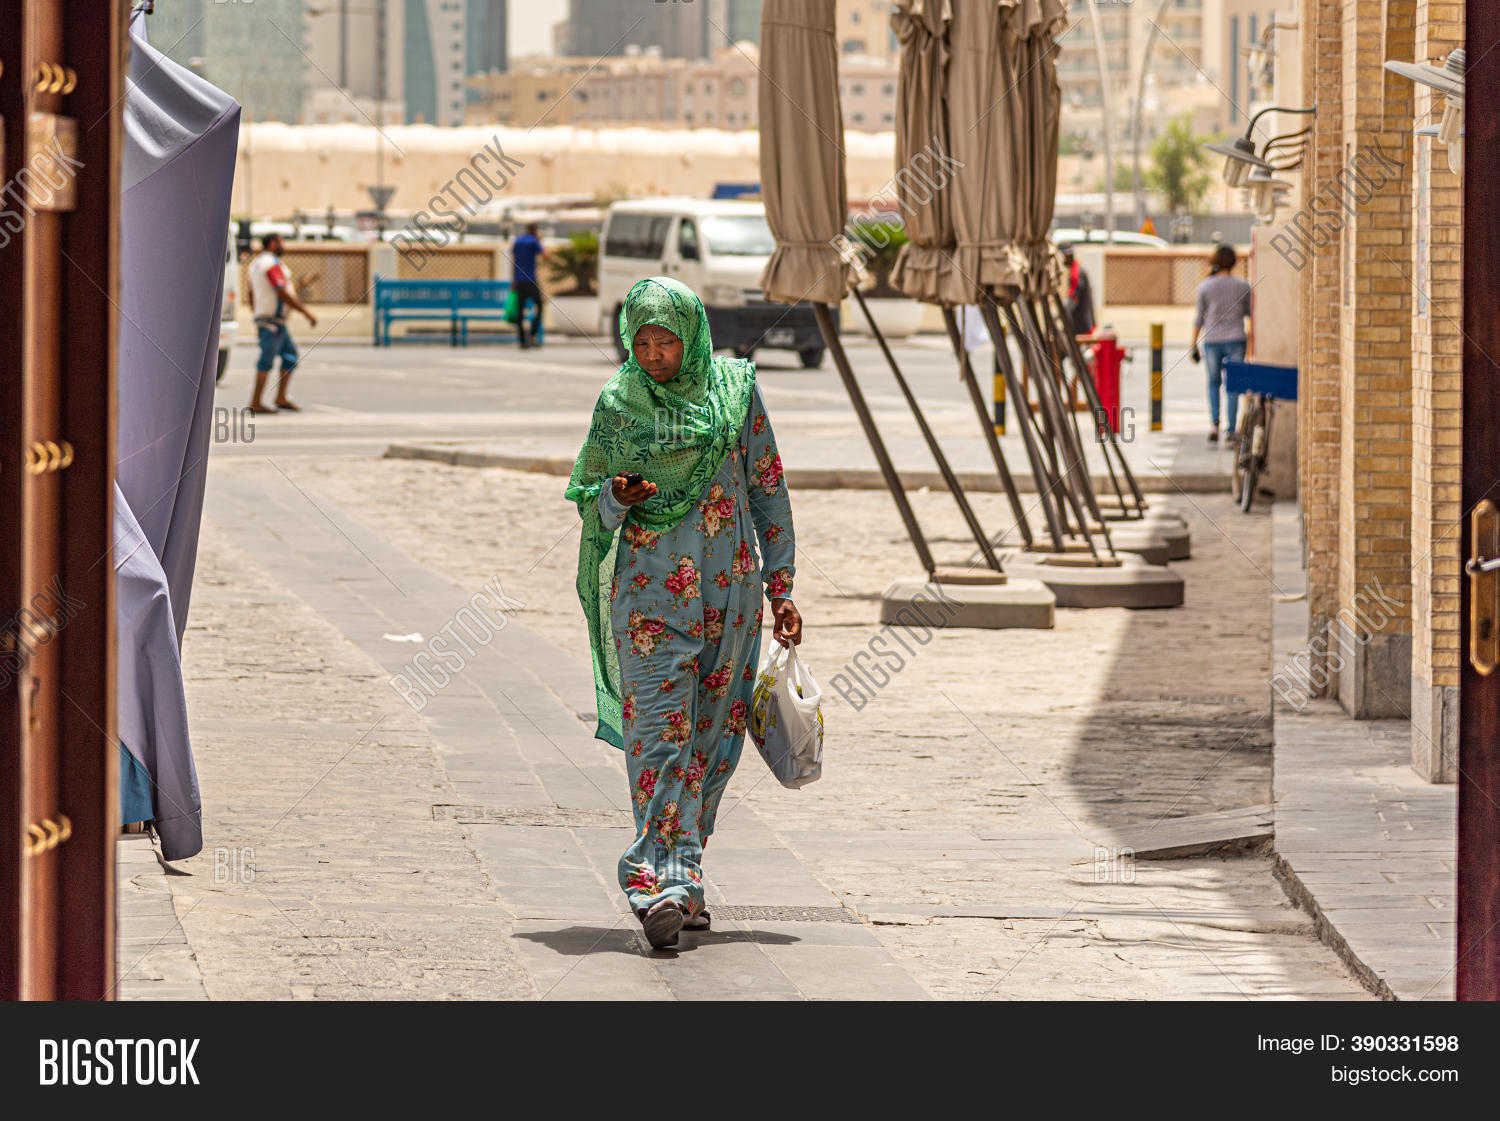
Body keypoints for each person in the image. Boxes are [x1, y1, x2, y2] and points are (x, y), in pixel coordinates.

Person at [566, 276, 802, 951]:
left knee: (710, 748)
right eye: (641, 341)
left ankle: (686, 880)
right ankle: (655, 882)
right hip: (649, 602)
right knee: (660, 741)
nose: (654, 354)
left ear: (691, 335)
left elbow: (768, 487)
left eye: (666, 340)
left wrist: (782, 588)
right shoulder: (620, 404)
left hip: (730, 600)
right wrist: (616, 494)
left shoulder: (734, 391)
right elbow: (590, 493)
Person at [1190, 244, 1254, 444]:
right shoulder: (1243, 285)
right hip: (1236, 338)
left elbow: (1199, 318)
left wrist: (1193, 344)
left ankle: (1214, 425)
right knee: (1234, 384)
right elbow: (1250, 314)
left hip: (1212, 340)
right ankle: (1231, 429)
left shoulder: (1205, 286)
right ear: (1233, 262)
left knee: (1213, 382)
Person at [248, 233, 316, 414]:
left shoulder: (256, 265)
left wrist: (256, 313)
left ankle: (281, 397)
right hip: (273, 321)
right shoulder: (272, 264)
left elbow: (253, 292)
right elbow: (281, 291)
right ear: (272, 243)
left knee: (290, 356)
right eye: (281, 241)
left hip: (270, 319)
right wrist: (305, 312)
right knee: (266, 360)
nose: (283, 245)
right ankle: (255, 402)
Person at [510, 222, 548, 348]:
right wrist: (539, 240)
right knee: (540, 306)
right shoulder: (533, 241)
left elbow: (513, 261)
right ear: (535, 230)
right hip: (531, 280)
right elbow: (547, 256)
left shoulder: (518, 241)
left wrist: (513, 280)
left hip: (519, 281)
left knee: (520, 311)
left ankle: (522, 341)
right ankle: (531, 335)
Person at [1060, 244, 1095, 336]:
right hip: (1081, 323)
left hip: (1081, 324)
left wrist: (1059, 311)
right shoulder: (1076, 270)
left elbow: (1073, 298)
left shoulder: (1077, 273)